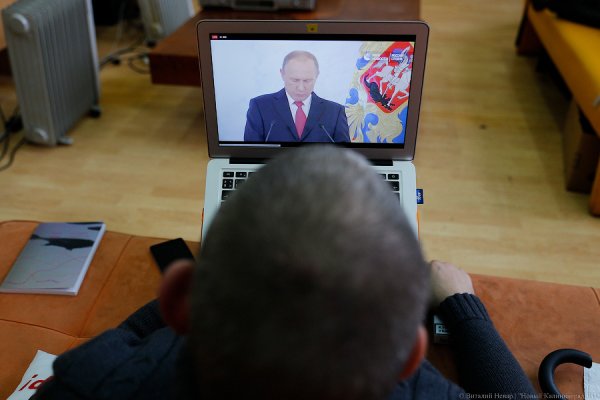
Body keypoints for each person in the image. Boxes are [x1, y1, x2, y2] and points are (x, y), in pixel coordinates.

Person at [33, 146, 536, 399]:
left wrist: (193, 293)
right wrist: (464, 308)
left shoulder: (93, 383)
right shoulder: (421, 391)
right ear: (409, 354)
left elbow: (122, 348)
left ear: (179, 302)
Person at [243, 51, 351, 143]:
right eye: (295, 80)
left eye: (307, 80)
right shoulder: (260, 106)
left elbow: (345, 155)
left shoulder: (335, 112)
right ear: (282, 74)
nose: (301, 88)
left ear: (317, 75)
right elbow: (250, 151)